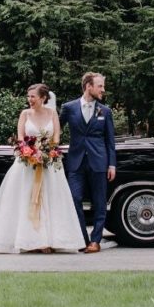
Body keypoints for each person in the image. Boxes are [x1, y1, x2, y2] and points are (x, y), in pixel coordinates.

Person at [0, 84, 85, 253]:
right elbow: (20, 138)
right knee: (25, 199)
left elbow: (56, 137)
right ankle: (29, 241)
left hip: (48, 164)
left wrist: (46, 152)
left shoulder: (52, 114)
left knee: (49, 199)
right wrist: (29, 152)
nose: (29, 100)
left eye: (33, 96)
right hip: (26, 164)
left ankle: (48, 240)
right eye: (28, 96)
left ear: (43, 98)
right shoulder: (25, 114)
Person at [58, 72, 117, 253]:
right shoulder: (69, 108)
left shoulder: (105, 111)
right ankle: (82, 239)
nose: (103, 90)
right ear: (88, 86)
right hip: (75, 162)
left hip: (99, 162)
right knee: (74, 199)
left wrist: (112, 164)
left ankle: (96, 241)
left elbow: (110, 141)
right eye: (100, 86)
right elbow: (56, 130)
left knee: (99, 202)